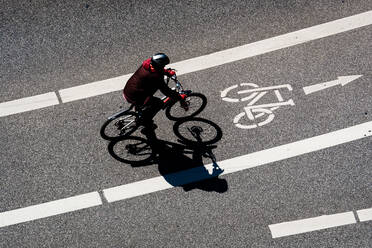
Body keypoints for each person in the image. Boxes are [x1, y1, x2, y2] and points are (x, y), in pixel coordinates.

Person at [123, 53, 188, 133]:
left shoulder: (147, 64)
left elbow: (156, 69)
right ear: (159, 65)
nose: (164, 67)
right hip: (134, 96)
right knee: (159, 103)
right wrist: (180, 97)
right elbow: (166, 91)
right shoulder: (155, 77)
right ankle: (146, 123)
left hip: (129, 89)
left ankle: (139, 108)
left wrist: (167, 72)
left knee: (148, 97)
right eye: (163, 65)